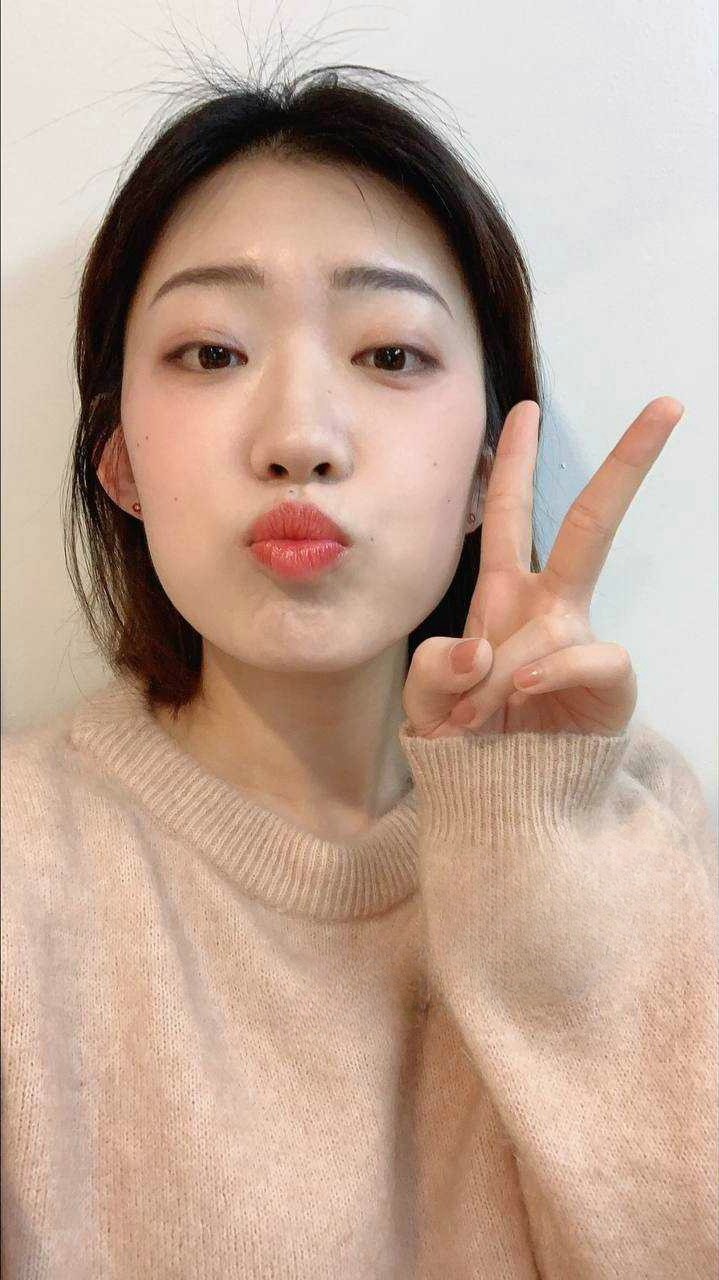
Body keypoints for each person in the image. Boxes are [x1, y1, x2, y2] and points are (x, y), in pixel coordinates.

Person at [2, 60, 717, 1279]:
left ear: (488, 456)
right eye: (211, 351)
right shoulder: (23, 867)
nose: (299, 438)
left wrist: (535, 849)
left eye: (388, 354)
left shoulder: (636, 817)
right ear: (117, 459)